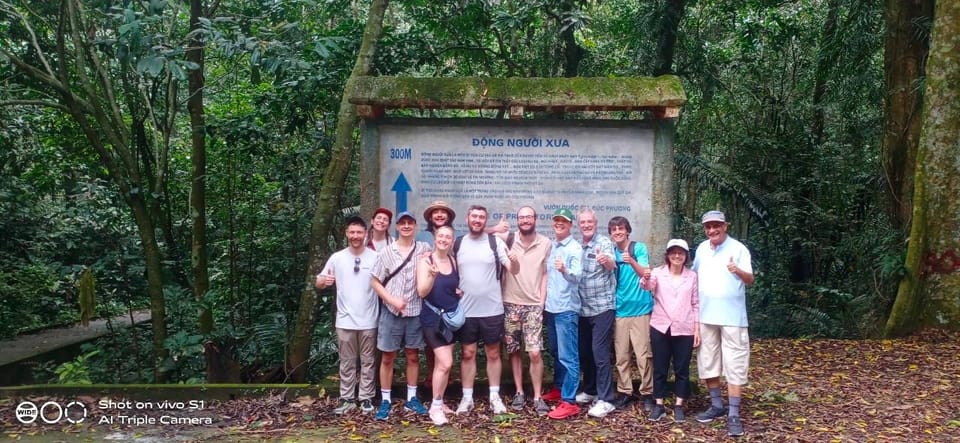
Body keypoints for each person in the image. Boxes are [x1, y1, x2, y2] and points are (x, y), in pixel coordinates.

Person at [692, 210, 754, 437]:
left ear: (725, 226)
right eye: (708, 226)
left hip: (732, 318)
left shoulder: (738, 249)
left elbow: (750, 280)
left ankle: (734, 413)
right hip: (706, 316)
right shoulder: (701, 249)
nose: (712, 230)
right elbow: (694, 278)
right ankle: (717, 405)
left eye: (716, 225)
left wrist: (737, 270)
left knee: (734, 363)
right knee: (708, 361)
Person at [454, 205, 519, 415]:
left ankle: (494, 396)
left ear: (485, 221)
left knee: (493, 353)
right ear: (468, 218)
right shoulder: (458, 243)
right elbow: (450, 271)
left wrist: (515, 262)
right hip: (466, 310)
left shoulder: (495, 242)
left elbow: (512, 269)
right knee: (467, 353)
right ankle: (466, 398)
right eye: (474, 216)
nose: (477, 220)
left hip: (492, 309)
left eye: (481, 217)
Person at [370, 211, 432, 420]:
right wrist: (391, 300)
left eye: (410, 223)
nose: (406, 226)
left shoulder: (424, 249)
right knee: (388, 357)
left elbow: (437, 263)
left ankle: (412, 398)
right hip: (391, 312)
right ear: (397, 226)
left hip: (415, 311)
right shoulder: (387, 252)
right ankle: (385, 399)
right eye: (402, 223)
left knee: (413, 355)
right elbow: (375, 281)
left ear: (415, 227)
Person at [315, 216, 380, 415]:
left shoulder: (375, 257)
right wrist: (323, 281)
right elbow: (319, 280)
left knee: (368, 361)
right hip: (344, 320)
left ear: (366, 234)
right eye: (352, 232)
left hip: (369, 318)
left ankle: (366, 398)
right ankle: (347, 398)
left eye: (359, 232)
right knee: (347, 361)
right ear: (346, 233)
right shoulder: (337, 257)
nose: (355, 236)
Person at [640, 239, 700, 423]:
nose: (677, 256)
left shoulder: (692, 276)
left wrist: (697, 329)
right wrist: (646, 276)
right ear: (667, 255)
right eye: (673, 252)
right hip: (661, 326)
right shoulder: (658, 273)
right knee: (660, 367)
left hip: (684, 327)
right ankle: (659, 405)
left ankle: (679, 405)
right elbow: (646, 286)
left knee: (682, 369)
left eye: (680, 253)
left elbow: (695, 303)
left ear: (685, 256)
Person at [500, 206, 552, 416]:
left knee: (535, 352)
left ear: (535, 219)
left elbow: (546, 273)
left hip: (533, 306)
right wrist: (496, 228)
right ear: (517, 220)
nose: (525, 220)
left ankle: (538, 396)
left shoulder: (545, 243)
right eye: (521, 217)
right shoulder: (508, 239)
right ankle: (519, 391)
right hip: (510, 303)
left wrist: (541, 302)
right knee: (514, 351)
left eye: (529, 217)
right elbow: (479, 232)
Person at [608, 216, 655, 412]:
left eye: (621, 228)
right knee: (621, 356)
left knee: (643, 354)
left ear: (627, 231)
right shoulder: (610, 252)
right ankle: (625, 392)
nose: (617, 232)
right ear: (610, 234)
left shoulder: (639, 248)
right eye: (614, 229)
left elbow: (645, 273)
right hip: (620, 310)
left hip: (641, 309)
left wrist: (631, 260)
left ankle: (647, 393)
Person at [574, 208, 618, 418]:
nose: (586, 225)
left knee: (600, 353)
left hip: (602, 307)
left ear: (595, 222)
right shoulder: (578, 245)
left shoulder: (603, 243)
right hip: (582, 309)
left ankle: (606, 399)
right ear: (578, 224)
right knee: (585, 352)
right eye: (582, 222)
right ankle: (591, 390)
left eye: (589, 221)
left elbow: (611, 263)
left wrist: (606, 261)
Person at [416, 226, 461, 425]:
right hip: (432, 319)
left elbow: (453, 286)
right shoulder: (426, 261)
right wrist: (432, 276)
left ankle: (440, 401)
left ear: (452, 241)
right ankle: (434, 407)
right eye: (441, 236)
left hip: (450, 319)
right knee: (445, 363)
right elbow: (422, 292)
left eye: (448, 237)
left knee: (443, 366)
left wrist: (458, 292)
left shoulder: (453, 261)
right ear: (435, 238)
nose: (444, 239)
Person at [543, 208, 583, 420]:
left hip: (566, 309)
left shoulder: (574, 248)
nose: (559, 224)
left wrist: (564, 270)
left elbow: (577, 277)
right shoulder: (553, 246)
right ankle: (559, 389)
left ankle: (569, 401)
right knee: (556, 351)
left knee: (569, 356)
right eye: (556, 221)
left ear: (570, 225)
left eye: (564, 222)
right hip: (551, 307)